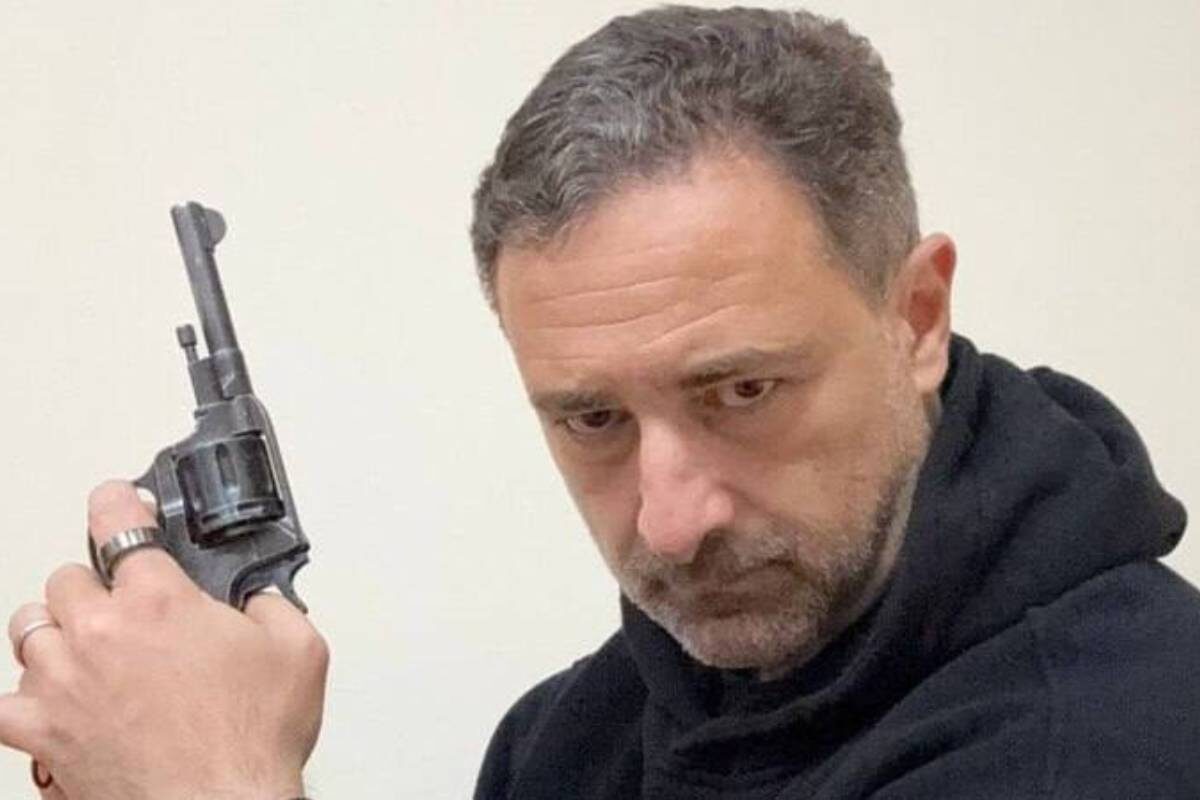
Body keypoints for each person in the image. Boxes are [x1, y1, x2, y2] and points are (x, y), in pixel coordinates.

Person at [0, 5, 1196, 799]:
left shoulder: (1114, 742)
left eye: (741, 390)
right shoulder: (568, 741)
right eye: (593, 419)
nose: (668, 521)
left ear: (917, 318)